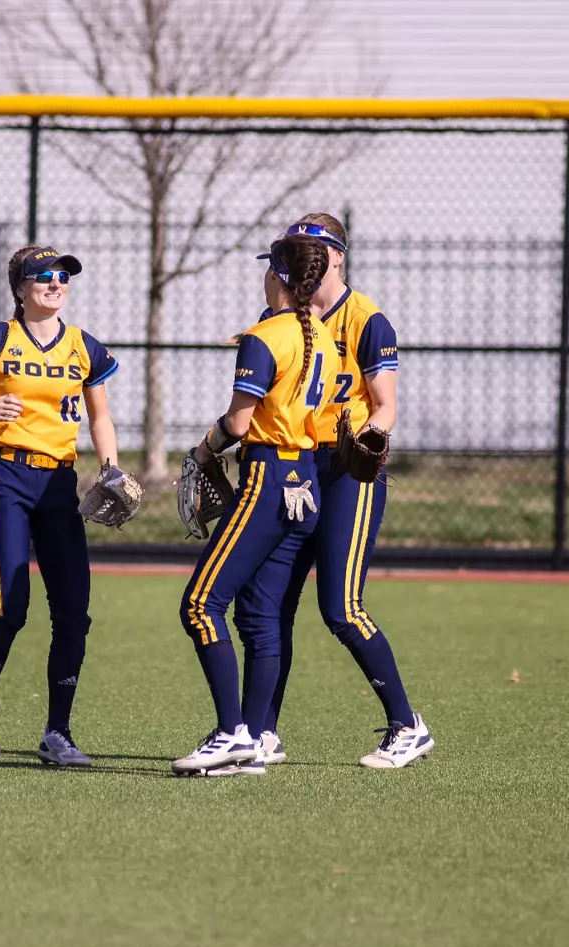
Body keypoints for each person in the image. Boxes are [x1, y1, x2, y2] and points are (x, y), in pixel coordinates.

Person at [0, 245, 129, 767]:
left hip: (59, 485)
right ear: (20, 287)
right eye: (42, 275)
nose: (56, 282)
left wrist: (109, 467)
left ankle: (57, 733)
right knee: (11, 604)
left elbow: (100, 416)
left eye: (63, 275)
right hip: (8, 478)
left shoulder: (84, 346)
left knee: (73, 611)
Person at [256, 215, 433, 770]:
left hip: (347, 472)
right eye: (286, 254)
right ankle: (261, 733)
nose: (288, 264)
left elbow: (386, 407)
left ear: (335, 256)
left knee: (339, 607)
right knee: (267, 604)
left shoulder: (366, 320)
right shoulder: (282, 318)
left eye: (303, 251)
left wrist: (365, 440)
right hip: (294, 467)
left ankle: (407, 727)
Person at [172, 233, 339, 775]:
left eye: (270, 269)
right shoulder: (324, 338)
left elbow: (239, 424)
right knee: (262, 618)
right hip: (306, 480)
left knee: (200, 604)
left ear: (281, 279)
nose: (264, 276)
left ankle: (231, 734)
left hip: (267, 479)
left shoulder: (266, 335)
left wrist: (202, 450)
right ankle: (256, 739)